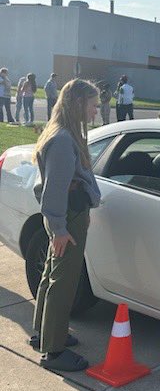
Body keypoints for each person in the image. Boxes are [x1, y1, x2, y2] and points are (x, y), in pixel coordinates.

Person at [31, 79, 101, 371]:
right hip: (66, 218)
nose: (96, 111)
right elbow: (54, 189)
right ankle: (54, 352)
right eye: (93, 105)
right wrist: (59, 228)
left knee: (51, 275)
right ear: (77, 103)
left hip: (65, 216)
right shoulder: (62, 140)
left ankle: (43, 334)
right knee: (64, 281)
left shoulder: (62, 133)